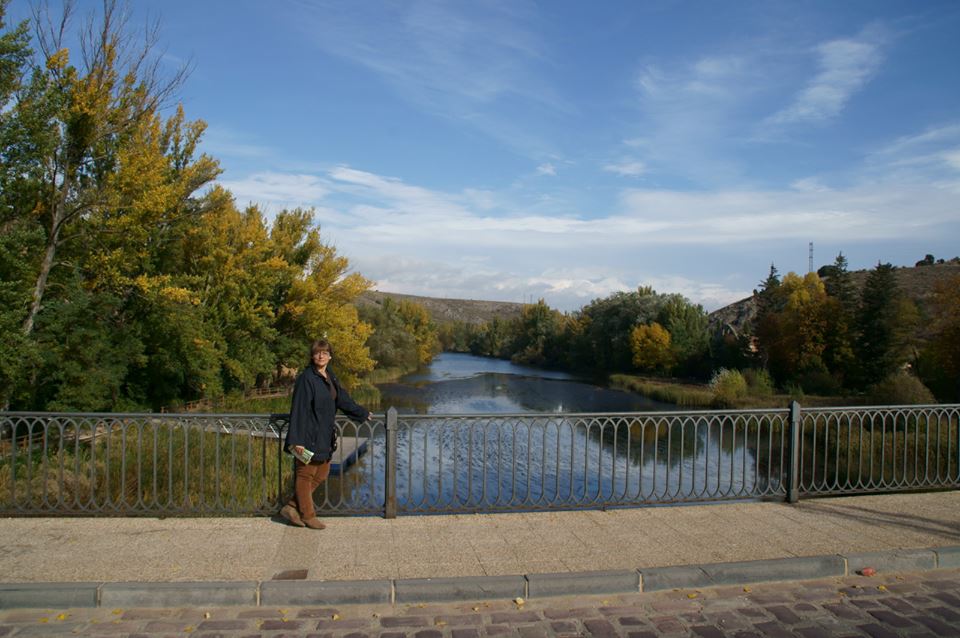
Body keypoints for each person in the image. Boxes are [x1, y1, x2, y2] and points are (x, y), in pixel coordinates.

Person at [280, 339, 371, 529]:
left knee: (322, 472)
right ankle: (308, 514)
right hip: (308, 436)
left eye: (325, 352)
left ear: (330, 355)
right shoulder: (307, 378)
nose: (321, 356)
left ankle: (291, 506)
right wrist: (297, 441)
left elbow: (343, 400)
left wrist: (361, 413)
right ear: (312, 356)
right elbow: (299, 410)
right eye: (317, 352)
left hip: (324, 436)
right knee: (305, 475)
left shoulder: (329, 376)